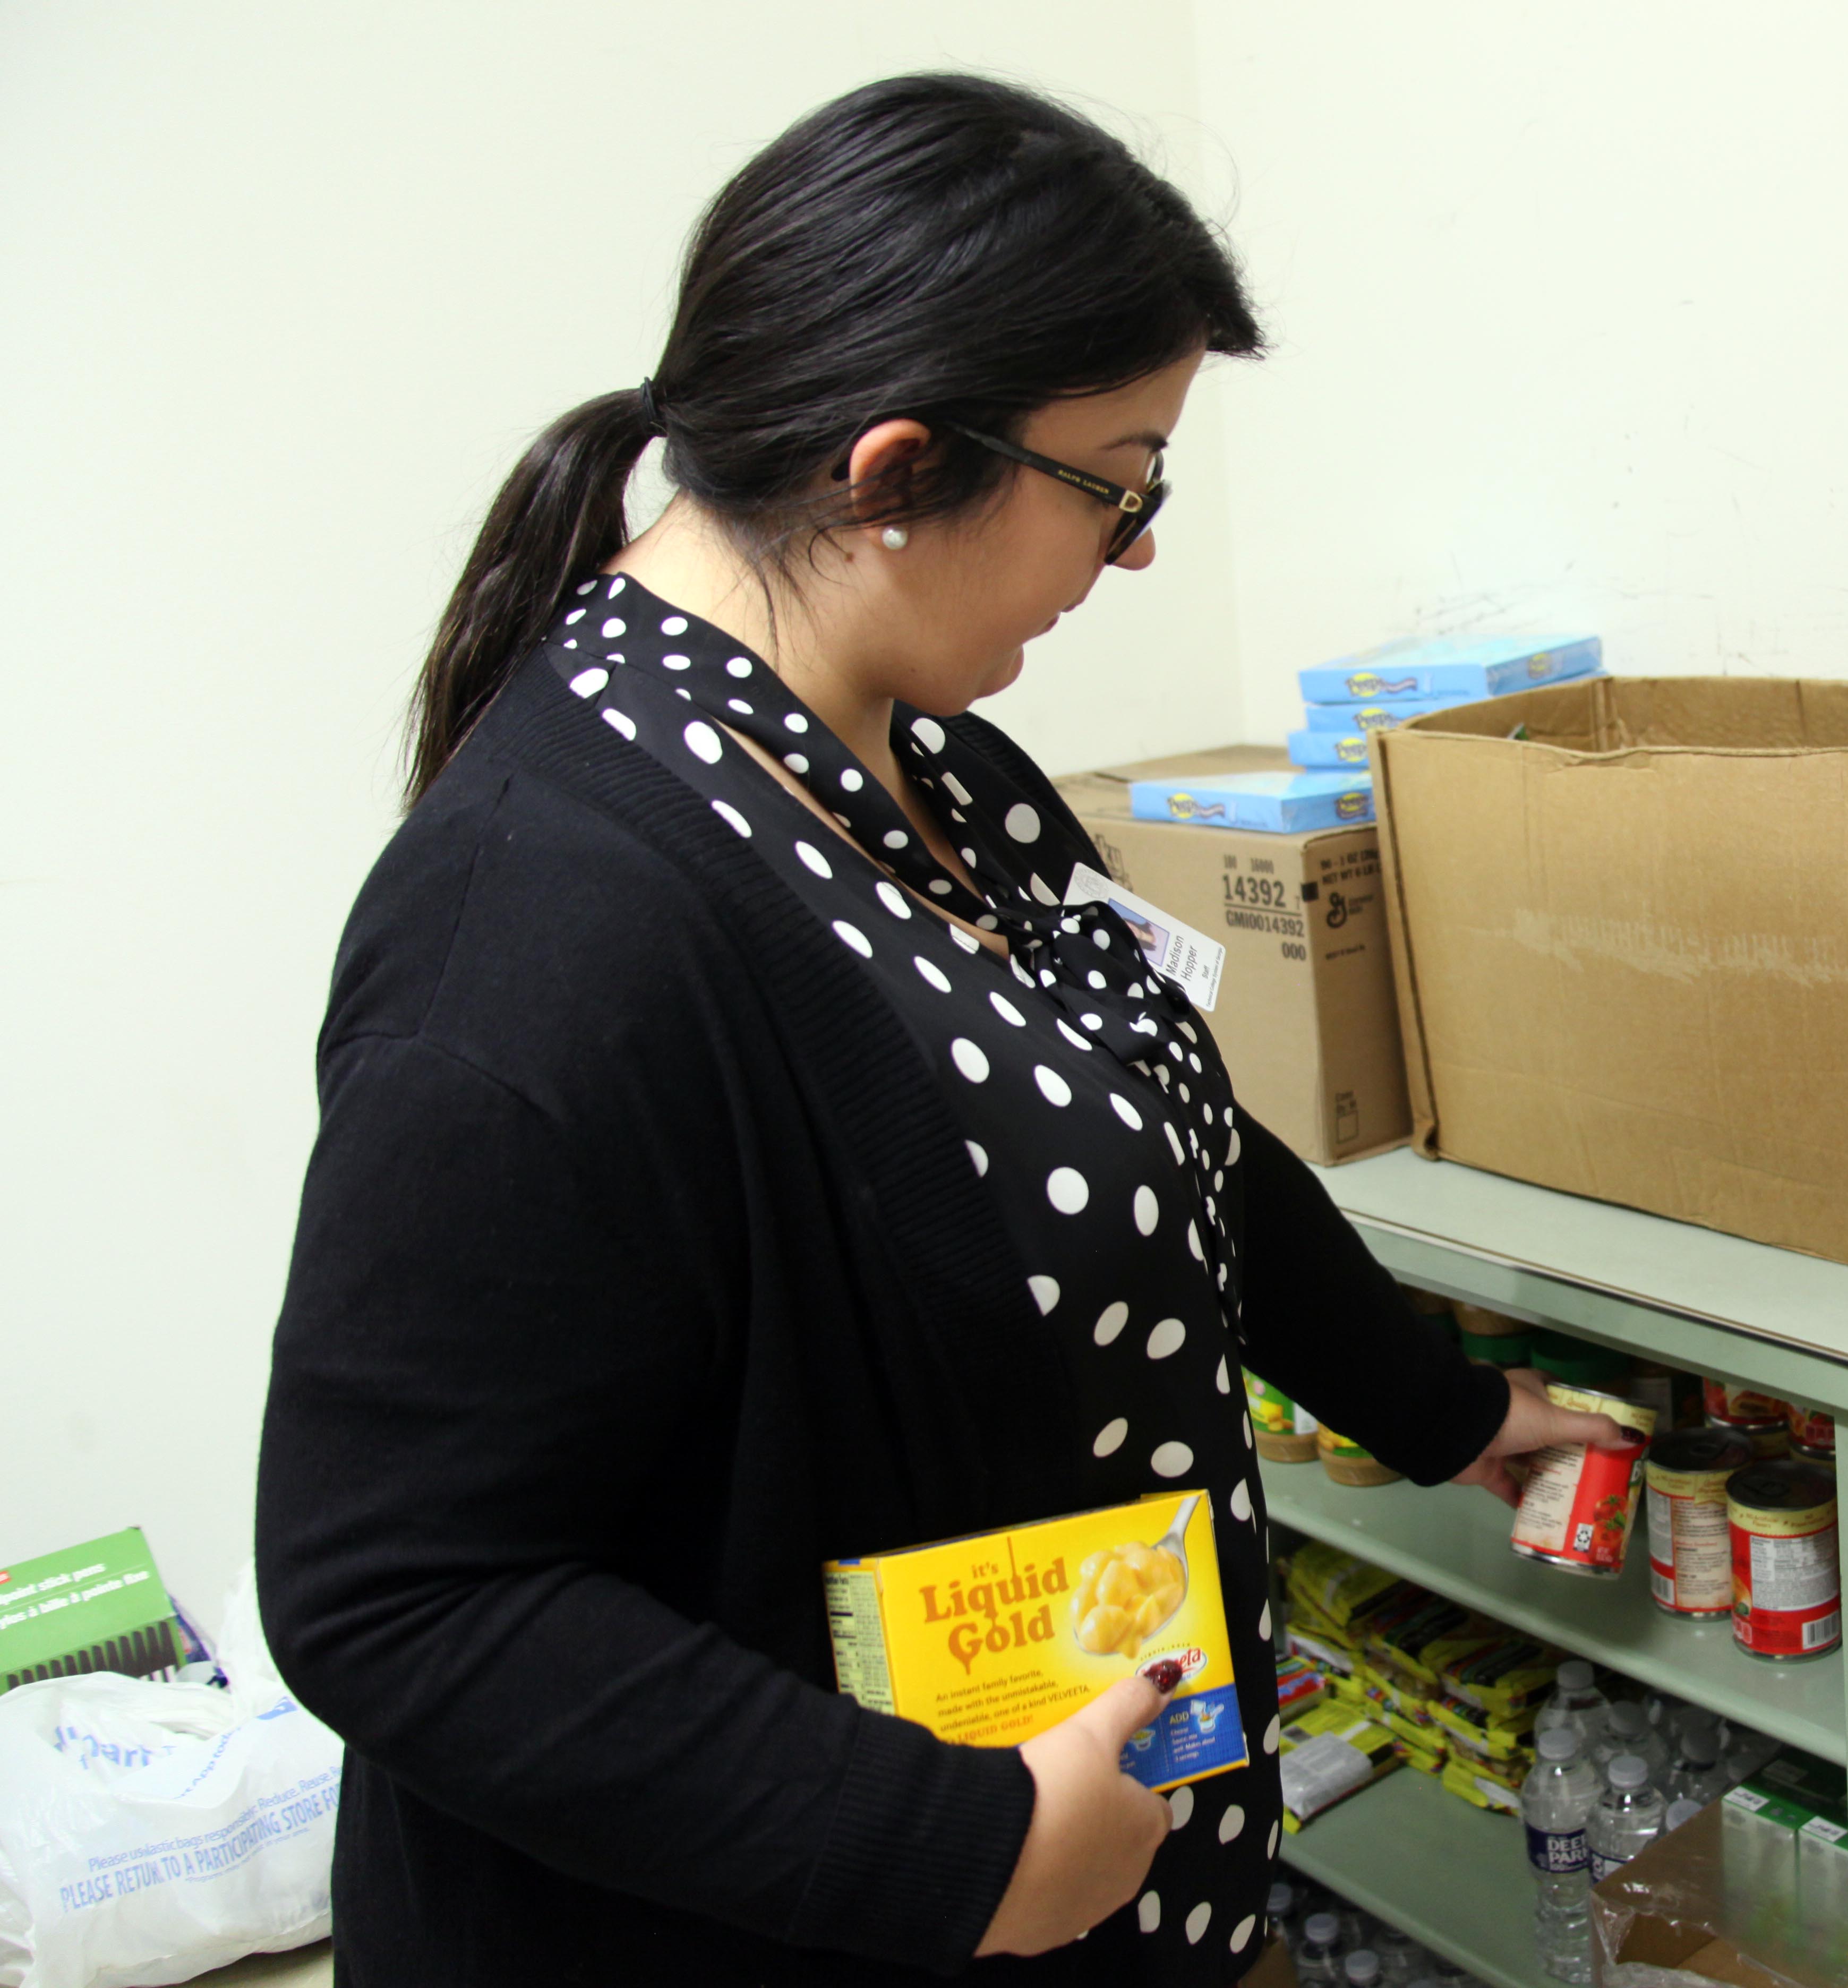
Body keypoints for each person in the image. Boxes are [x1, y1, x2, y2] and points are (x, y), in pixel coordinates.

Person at [254, 74, 1617, 1986]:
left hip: (1084, 1849)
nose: (1134, 551)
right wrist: (948, 1846)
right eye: (1118, 482)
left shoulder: (943, 774)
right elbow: (398, 1596)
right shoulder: (544, 927)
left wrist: (1441, 1404)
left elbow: (1168, 1142)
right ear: (897, 474)